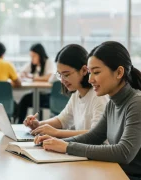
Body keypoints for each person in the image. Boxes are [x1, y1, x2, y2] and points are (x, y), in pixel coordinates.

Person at [34, 41, 141, 179]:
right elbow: (93, 137)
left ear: (119, 72)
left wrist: (67, 147)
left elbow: (124, 153)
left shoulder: (136, 103)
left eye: (96, 72)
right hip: (114, 172)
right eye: (90, 73)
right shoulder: (112, 104)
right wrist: (56, 142)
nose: (90, 79)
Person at [23, 44, 108, 138]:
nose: (63, 80)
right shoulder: (77, 94)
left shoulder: (99, 96)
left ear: (84, 70)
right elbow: (62, 120)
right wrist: (38, 125)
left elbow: (96, 135)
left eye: (66, 75)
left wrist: (56, 133)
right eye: (60, 75)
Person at [18, 43, 54, 122]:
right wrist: (24, 74)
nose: (32, 58)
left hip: (46, 95)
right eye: (31, 56)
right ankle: (19, 122)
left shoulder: (48, 62)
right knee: (24, 100)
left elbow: (49, 76)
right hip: (35, 94)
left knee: (29, 100)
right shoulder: (32, 64)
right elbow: (22, 72)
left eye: (34, 56)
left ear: (40, 55)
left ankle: (36, 124)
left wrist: (34, 78)